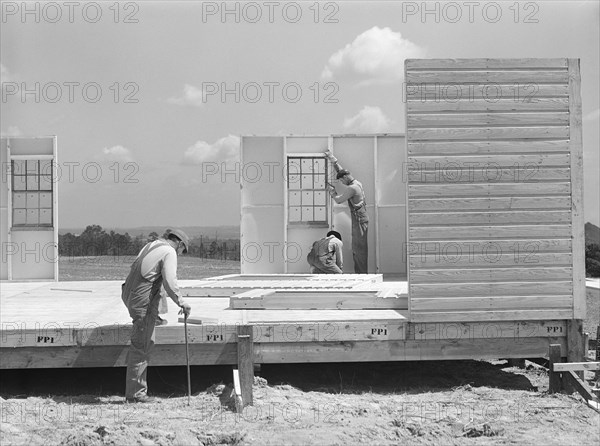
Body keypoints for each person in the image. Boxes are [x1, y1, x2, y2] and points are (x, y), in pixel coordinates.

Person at [121, 228, 192, 403]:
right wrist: (181, 302)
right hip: (142, 304)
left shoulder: (152, 245)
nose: (181, 254)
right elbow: (169, 281)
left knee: (144, 339)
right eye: (183, 250)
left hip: (131, 297)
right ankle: (136, 395)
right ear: (180, 244)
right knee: (142, 347)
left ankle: (155, 318)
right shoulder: (169, 252)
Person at [325, 150, 369, 273]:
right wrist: (333, 160)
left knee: (359, 250)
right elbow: (341, 171)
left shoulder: (352, 188)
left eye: (342, 181)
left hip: (359, 220)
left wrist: (332, 191)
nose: (342, 184)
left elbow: (339, 200)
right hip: (360, 219)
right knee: (358, 248)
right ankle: (361, 273)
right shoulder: (356, 182)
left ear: (345, 178)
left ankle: (362, 275)